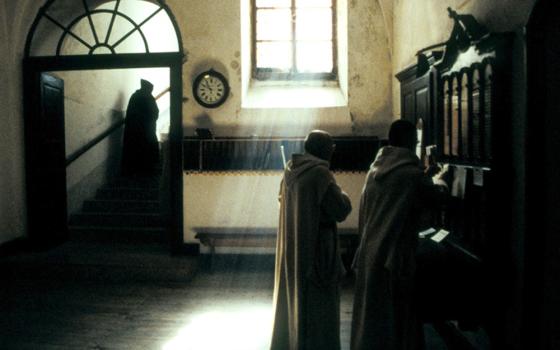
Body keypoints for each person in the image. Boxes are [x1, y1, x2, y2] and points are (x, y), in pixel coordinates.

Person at [350, 120, 448, 350]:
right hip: (394, 257)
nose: (415, 144)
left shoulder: (376, 170)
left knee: (373, 317)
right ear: (406, 141)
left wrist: (423, 175)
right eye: (414, 141)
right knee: (398, 318)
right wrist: (440, 178)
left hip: (371, 252)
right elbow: (437, 199)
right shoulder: (410, 175)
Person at [271, 130, 352, 350]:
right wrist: (343, 193)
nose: (333, 151)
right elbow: (341, 210)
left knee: (297, 301)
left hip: (295, 245)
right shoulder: (320, 174)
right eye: (331, 147)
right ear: (324, 149)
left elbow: (282, 201)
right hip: (318, 248)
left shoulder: (290, 170)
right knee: (319, 308)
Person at [121, 79, 160, 176]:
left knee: (135, 151)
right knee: (147, 151)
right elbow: (154, 113)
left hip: (135, 131)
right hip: (146, 131)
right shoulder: (147, 97)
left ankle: (134, 171)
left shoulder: (135, 96)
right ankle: (146, 171)